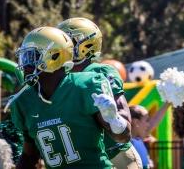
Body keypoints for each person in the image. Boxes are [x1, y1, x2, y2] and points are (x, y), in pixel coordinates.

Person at [10, 26, 131, 168]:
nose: (25, 64)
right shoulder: (23, 101)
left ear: (54, 56)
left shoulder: (85, 85)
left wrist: (114, 120)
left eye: (32, 57)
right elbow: (30, 156)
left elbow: (123, 137)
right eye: (24, 57)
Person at [57, 17, 142, 168]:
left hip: (116, 155)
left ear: (87, 44)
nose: (63, 46)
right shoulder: (59, 79)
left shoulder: (99, 71)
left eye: (70, 41)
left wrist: (112, 117)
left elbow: (124, 117)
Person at [129, 104, 170, 169]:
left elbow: (155, 120)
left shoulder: (138, 139)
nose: (148, 124)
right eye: (146, 120)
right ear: (136, 122)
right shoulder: (128, 144)